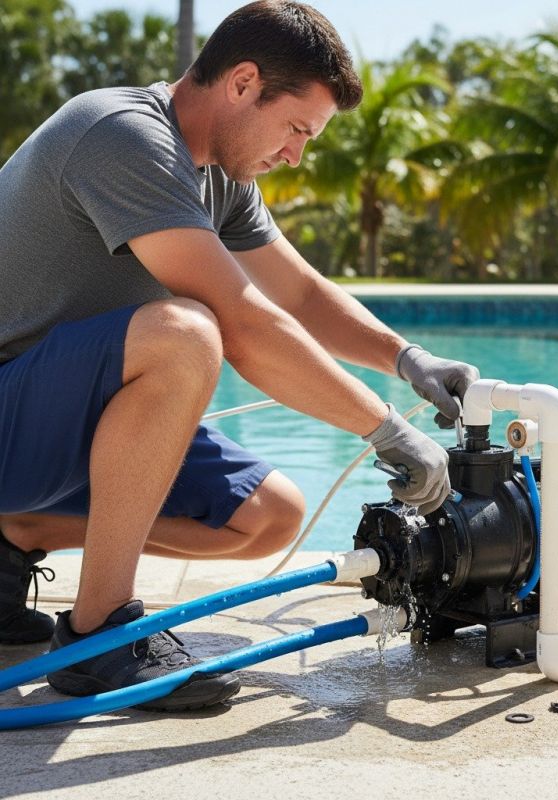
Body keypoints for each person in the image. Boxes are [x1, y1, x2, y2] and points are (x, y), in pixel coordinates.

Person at [0, 0, 478, 711]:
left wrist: (408, 359)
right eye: (296, 129)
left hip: (54, 424)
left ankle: (14, 538)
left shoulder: (222, 178)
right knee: (186, 334)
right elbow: (245, 324)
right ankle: (98, 635)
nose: (296, 154)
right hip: (12, 408)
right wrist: (383, 428)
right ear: (243, 82)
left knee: (268, 515)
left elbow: (302, 295)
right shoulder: (121, 135)